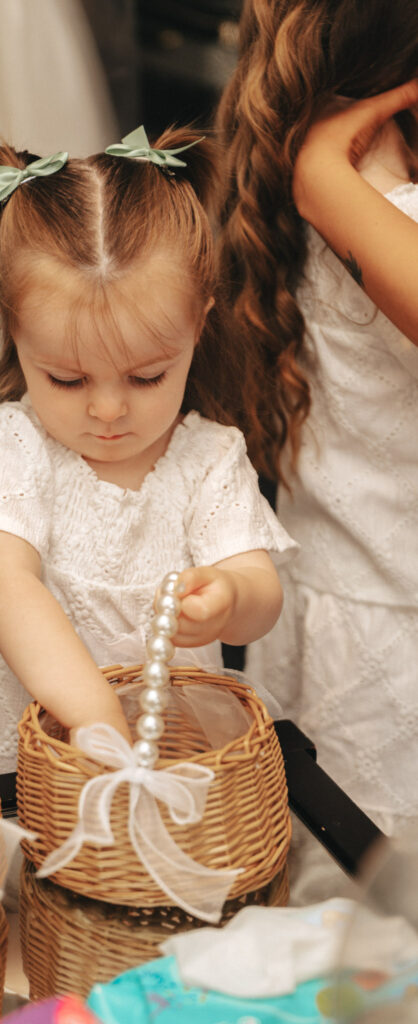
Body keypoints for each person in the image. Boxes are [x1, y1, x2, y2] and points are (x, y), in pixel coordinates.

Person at [0, 127, 296, 773]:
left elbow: (259, 595)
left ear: (200, 323)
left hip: (170, 749)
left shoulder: (209, 457)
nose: (108, 410)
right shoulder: (8, 444)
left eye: (147, 376)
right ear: (15, 335)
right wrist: (97, 720)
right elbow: (3, 584)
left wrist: (230, 597)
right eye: (66, 379)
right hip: (31, 757)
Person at [215, 0, 418, 839]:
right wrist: (327, 174)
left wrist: (327, 166)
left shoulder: (331, 174)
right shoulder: (376, 199)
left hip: (343, 607)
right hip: (389, 652)